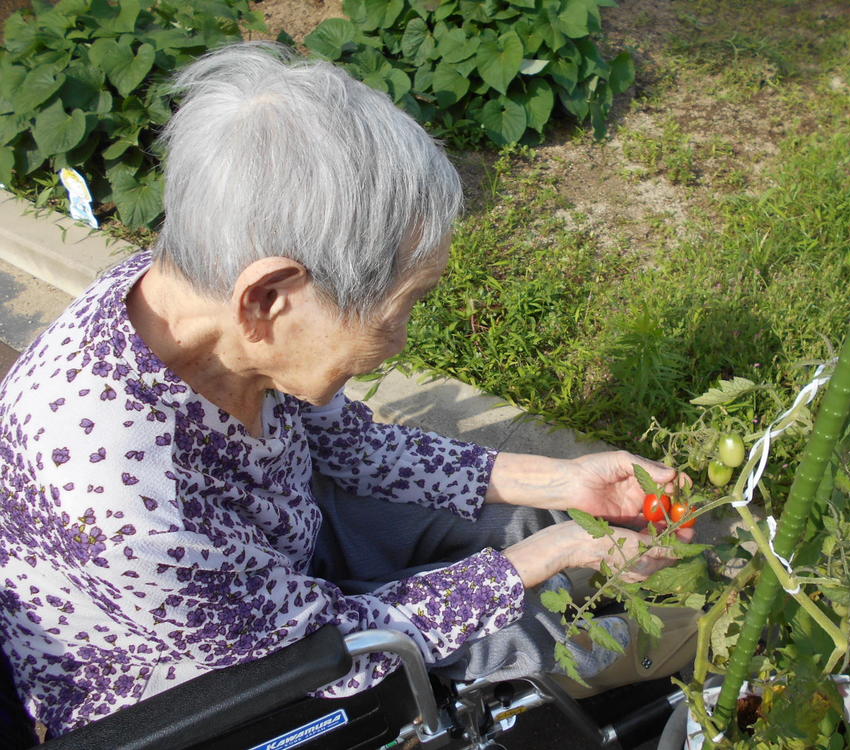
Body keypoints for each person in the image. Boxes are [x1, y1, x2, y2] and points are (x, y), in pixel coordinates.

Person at [0, 42, 698, 738]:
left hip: (278, 551)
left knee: (525, 524)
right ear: (268, 297)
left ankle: (610, 594)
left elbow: (352, 445)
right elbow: (329, 652)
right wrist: (550, 557)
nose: (400, 340)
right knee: (524, 634)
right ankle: (682, 650)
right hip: (220, 683)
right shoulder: (124, 500)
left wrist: (562, 480)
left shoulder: (189, 282)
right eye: (402, 305)